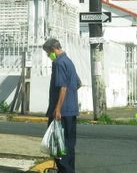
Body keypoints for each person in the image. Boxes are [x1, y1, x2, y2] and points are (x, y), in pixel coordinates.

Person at [43, 38, 79, 173]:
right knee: (69, 145)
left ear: (53, 49)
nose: (48, 56)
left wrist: (57, 108)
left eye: (47, 53)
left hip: (61, 112)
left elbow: (62, 87)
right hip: (71, 110)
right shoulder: (69, 62)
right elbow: (77, 83)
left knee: (58, 145)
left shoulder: (58, 63)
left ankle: (64, 170)